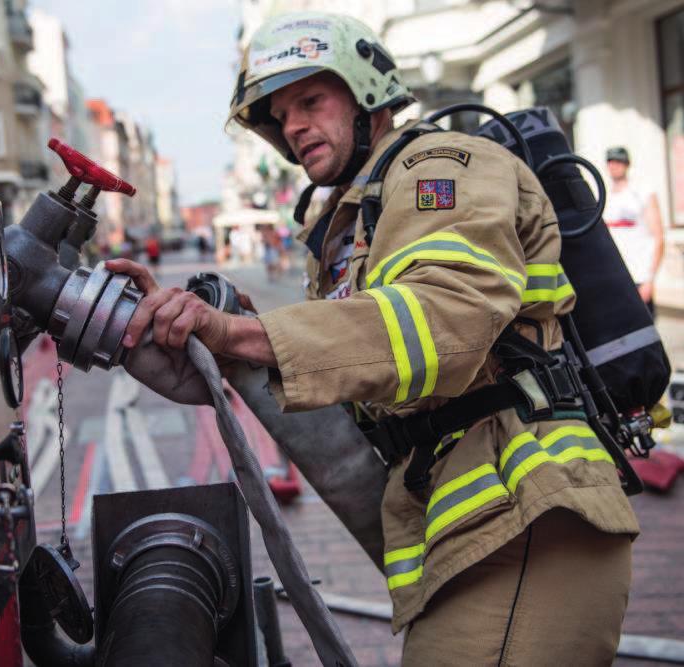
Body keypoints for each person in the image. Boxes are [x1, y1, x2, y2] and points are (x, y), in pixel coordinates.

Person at [108, 11, 638, 665]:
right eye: (281, 114)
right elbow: (359, 366)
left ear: (366, 95)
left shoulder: (442, 169)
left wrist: (244, 333)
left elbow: (445, 324)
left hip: (529, 514)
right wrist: (218, 342)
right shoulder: (357, 219)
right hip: (477, 530)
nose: (294, 125)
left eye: (311, 99)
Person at [605, 146, 665, 314]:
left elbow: (659, 237)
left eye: (618, 161)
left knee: (645, 334)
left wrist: (650, 280)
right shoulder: (605, 197)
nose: (614, 166)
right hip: (615, 277)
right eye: (610, 162)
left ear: (626, 164)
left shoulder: (642, 192)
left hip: (639, 276)